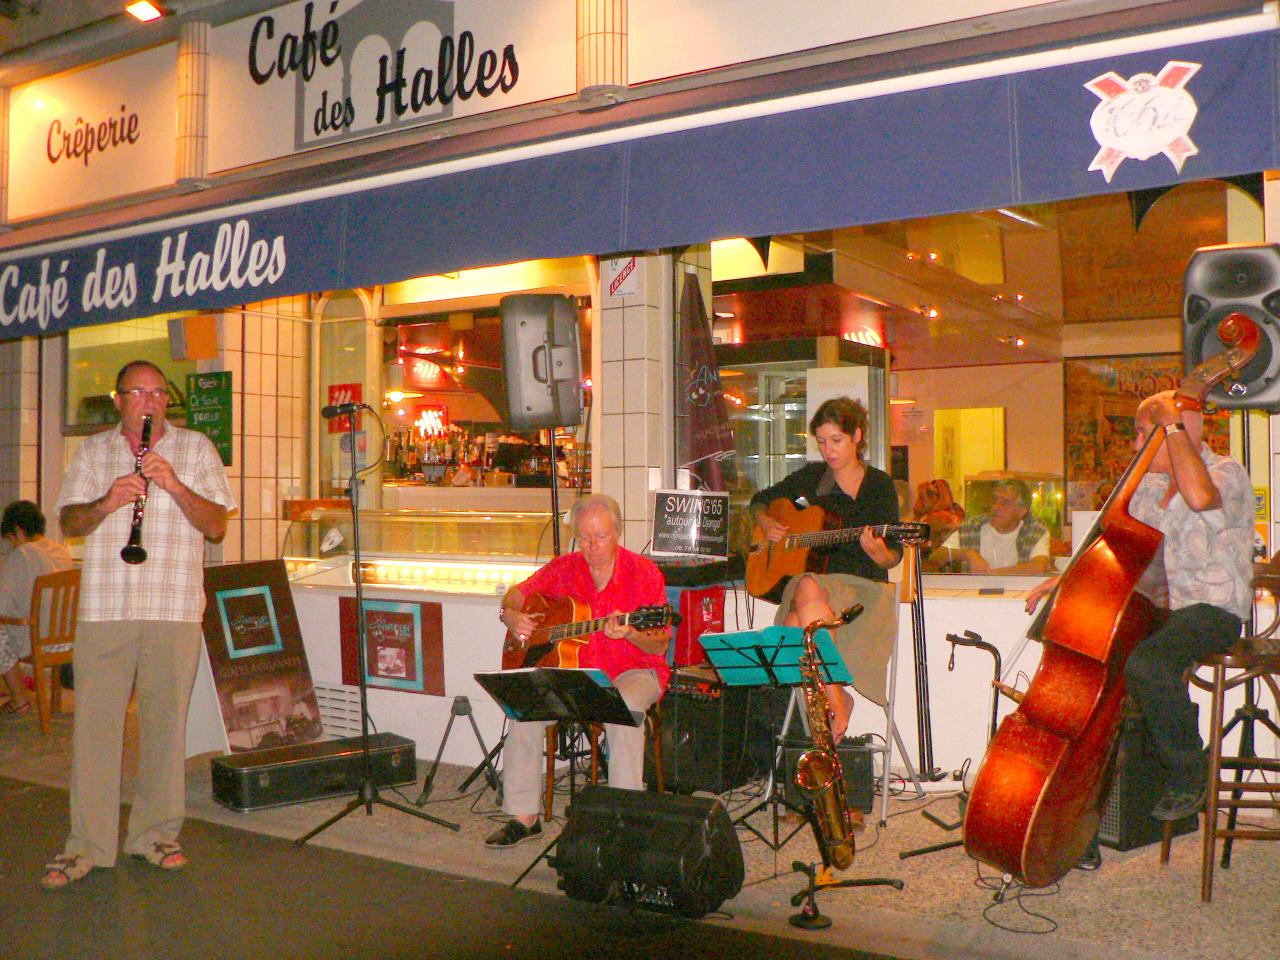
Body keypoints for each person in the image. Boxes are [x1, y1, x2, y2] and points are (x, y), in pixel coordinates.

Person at [41, 360, 236, 889]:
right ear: (119, 398)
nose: (149, 401)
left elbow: (216, 526)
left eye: (157, 393)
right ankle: (87, 845)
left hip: (173, 608)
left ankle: (154, 834)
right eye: (138, 392)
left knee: (165, 727)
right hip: (106, 607)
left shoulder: (196, 449)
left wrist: (173, 484)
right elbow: (68, 522)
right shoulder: (94, 451)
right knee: (95, 728)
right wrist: (109, 500)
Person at [1025, 390, 1253, 834]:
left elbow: (1201, 498)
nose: (1134, 446)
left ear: (1174, 431)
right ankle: (1079, 808)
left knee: (1148, 664)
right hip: (1155, 609)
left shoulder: (1227, 473)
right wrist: (1067, 578)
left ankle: (1191, 769)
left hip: (1211, 609)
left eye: (1141, 433)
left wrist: (1172, 423)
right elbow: (1115, 547)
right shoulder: (1146, 487)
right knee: (1098, 682)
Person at [485, 493, 670, 847]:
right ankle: (524, 817)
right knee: (524, 710)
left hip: (634, 670)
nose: (592, 545)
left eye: (601, 536)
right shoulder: (565, 567)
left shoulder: (643, 573)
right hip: (574, 672)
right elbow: (517, 594)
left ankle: (624, 820)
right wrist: (510, 615)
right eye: (585, 537)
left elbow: (660, 643)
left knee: (624, 712)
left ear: (617, 533)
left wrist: (632, 632)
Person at [750, 396, 902, 746]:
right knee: (806, 585)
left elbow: (892, 559)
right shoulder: (811, 480)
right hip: (813, 587)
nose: (828, 450)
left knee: (793, 627)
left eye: (836, 440)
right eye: (821, 442)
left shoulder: (879, 486)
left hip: (862, 590)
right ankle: (836, 699)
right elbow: (761, 499)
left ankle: (823, 727)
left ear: (857, 437)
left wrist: (878, 552)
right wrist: (767, 522)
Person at [0, 501, 74, 714]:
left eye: (11, 539)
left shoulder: (22, 553)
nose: (12, 545)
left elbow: (2, 606)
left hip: (37, 640)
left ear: (18, 531)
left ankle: (19, 699)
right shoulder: (61, 551)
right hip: (65, 640)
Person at [929, 478, 1051, 575]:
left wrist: (991, 576)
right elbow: (936, 556)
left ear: (1022, 511)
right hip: (973, 598)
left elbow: (1039, 567)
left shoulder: (1035, 530)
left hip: (1019, 598)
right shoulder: (973, 526)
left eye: (1005, 502)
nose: (996, 507)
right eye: (995, 500)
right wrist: (968, 554)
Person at [912, 478, 965, 557]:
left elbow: (914, 542)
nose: (918, 501)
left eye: (921, 498)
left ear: (933, 498)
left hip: (938, 562)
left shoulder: (935, 518)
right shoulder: (953, 514)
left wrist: (916, 516)